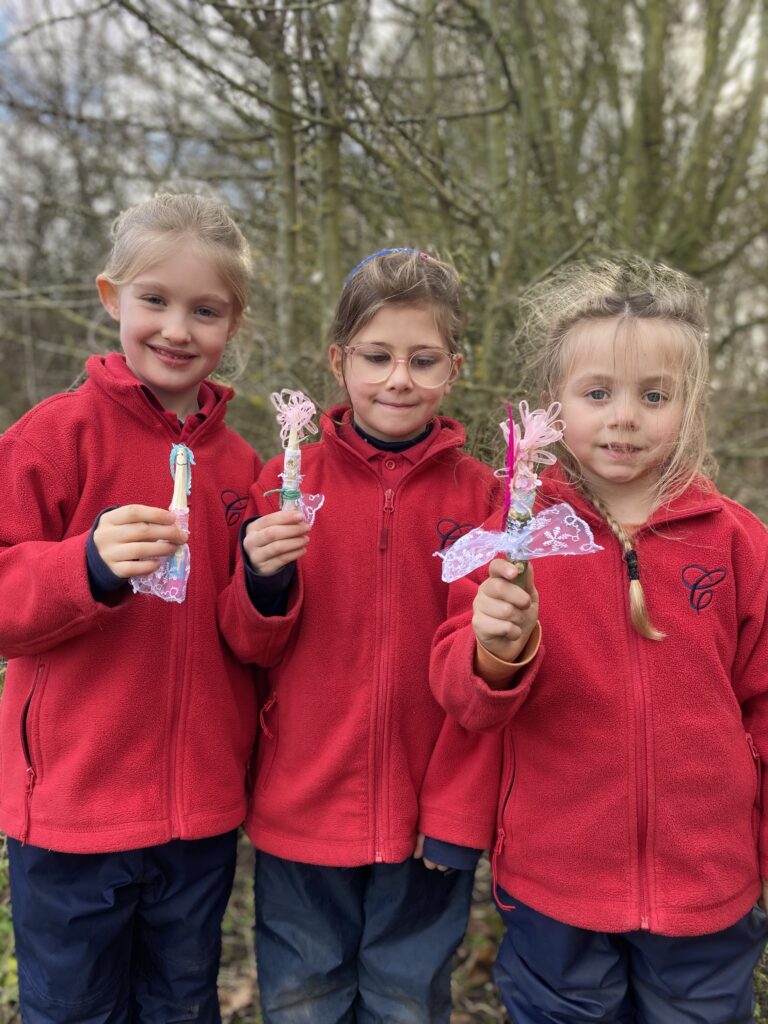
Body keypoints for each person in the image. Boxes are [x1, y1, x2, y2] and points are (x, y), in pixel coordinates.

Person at [429, 255, 768, 1023]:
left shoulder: (740, 544)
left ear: (689, 405)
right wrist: (495, 646)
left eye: (653, 396)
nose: (623, 417)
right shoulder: (512, 536)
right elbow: (461, 694)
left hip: (708, 885)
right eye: (597, 394)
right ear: (555, 406)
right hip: (558, 881)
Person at [218, 248, 504, 1023]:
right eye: (377, 357)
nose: (398, 379)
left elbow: (485, 676)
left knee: (407, 1001)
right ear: (340, 361)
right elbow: (248, 645)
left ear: (456, 367)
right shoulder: (287, 484)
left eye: (423, 359)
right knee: (302, 998)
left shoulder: (485, 498)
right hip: (301, 802)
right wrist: (263, 579)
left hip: (427, 817)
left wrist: (457, 815)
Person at [0, 192, 262, 1023]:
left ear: (234, 323)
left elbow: (248, 634)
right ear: (113, 298)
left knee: (181, 1005)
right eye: (155, 301)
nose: (177, 329)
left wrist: (269, 583)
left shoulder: (246, 462)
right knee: (74, 1008)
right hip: (73, 814)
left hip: (200, 817)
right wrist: (85, 566)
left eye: (205, 309)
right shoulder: (54, 437)